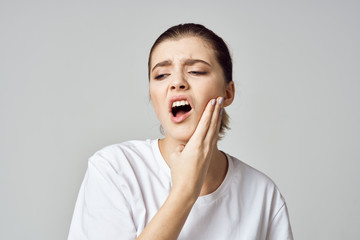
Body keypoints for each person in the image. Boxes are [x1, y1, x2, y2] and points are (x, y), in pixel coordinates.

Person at [68, 23, 293, 240]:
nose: (177, 82)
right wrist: (185, 190)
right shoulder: (116, 169)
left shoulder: (263, 194)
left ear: (228, 92)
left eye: (196, 71)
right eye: (161, 75)